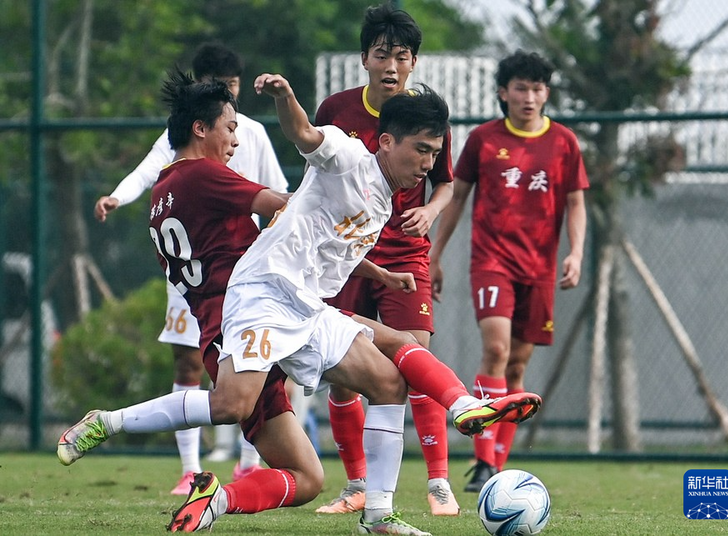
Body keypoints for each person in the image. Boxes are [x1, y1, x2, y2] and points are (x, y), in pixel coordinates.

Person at [58, 71, 541, 535]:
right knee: (230, 404)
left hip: (292, 302)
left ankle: (383, 494)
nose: (236, 140)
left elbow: (317, 236)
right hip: (259, 300)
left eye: (434, 154)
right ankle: (107, 422)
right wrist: (287, 104)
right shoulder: (211, 173)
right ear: (199, 128)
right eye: (231, 127)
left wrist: (375, 269)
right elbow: (294, 178)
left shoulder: (163, 190)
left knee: (380, 389)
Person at [93, 42, 289, 494]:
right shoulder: (185, 151)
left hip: (243, 269)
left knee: (252, 377)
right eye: (222, 93)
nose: (234, 135)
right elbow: (148, 172)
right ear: (200, 119)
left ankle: (246, 465)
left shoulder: (250, 133)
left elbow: (275, 192)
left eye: (234, 90)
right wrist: (118, 196)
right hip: (196, 276)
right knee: (202, 370)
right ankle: (189, 468)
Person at [314, 3, 460, 517]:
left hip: (404, 248)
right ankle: (356, 484)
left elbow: (446, 183)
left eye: (402, 56)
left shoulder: (429, 115)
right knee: (341, 367)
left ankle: (439, 482)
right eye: (383, 55)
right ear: (364, 59)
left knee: (416, 356)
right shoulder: (335, 108)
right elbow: (315, 176)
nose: (392, 66)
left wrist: (432, 213)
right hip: (345, 249)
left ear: (414, 62)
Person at [430, 50, 589, 492]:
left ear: (546, 94)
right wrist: (435, 254)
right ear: (504, 92)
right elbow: (457, 198)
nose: (530, 96)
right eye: (521, 87)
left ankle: (498, 464)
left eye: (538, 89)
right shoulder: (483, 139)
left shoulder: (564, 143)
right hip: (492, 262)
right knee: (496, 351)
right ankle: (482, 462)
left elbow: (576, 203)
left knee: (517, 367)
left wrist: (575, 253)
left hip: (539, 269)